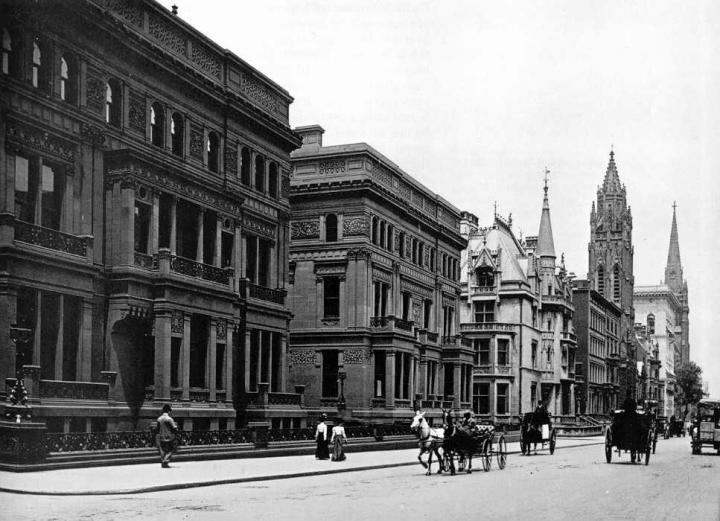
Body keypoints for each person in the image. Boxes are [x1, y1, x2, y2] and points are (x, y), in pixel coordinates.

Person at [155, 404, 178, 468]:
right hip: (169, 436)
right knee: (172, 449)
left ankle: (163, 463)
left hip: (161, 436)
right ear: (168, 411)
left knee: (162, 449)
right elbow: (174, 427)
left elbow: (157, 428)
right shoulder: (169, 419)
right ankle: (166, 460)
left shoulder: (159, 419)